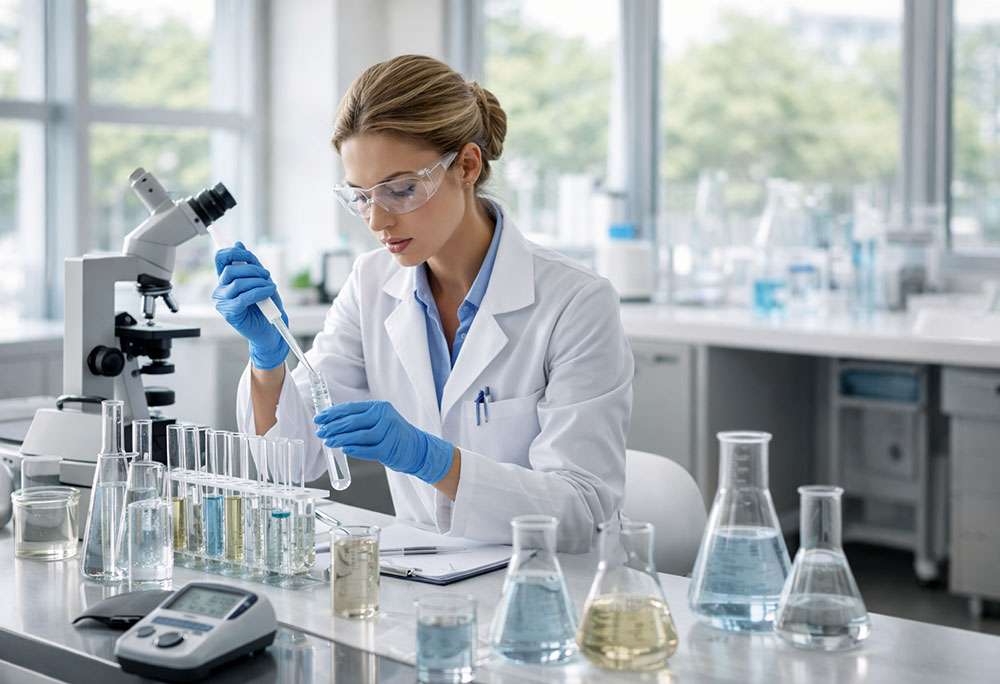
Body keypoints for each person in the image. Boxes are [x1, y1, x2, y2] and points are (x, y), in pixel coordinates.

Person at [213, 54, 633, 552]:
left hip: (546, 578)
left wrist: (432, 460)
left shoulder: (576, 301)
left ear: (467, 166)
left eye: (401, 189)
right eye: (361, 196)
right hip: (425, 572)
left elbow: (581, 511)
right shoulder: (371, 283)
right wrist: (268, 360)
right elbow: (295, 461)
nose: (377, 221)